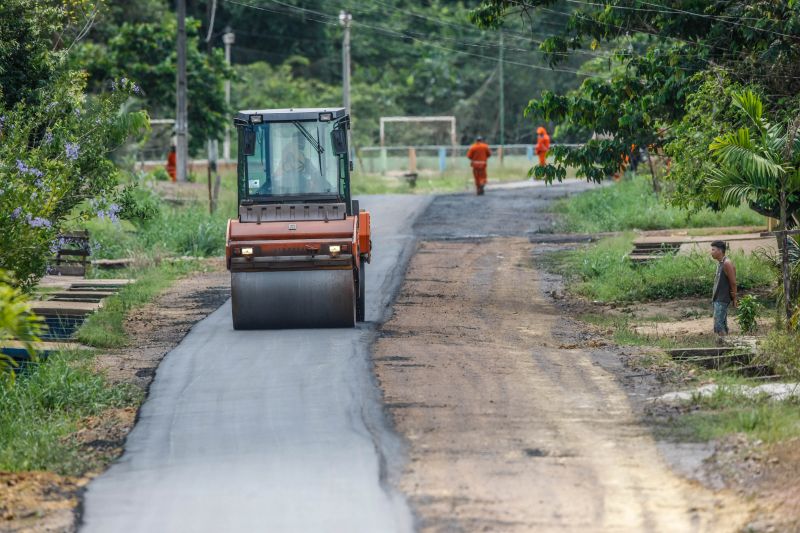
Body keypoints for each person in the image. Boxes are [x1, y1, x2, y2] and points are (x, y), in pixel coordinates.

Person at [710, 240, 737, 340]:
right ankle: (725, 344)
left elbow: (733, 282)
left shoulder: (727, 263)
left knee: (719, 326)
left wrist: (735, 298)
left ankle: (722, 344)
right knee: (721, 324)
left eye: (713, 250)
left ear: (720, 251)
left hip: (722, 299)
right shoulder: (720, 263)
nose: (711, 252)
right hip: (718, 299)